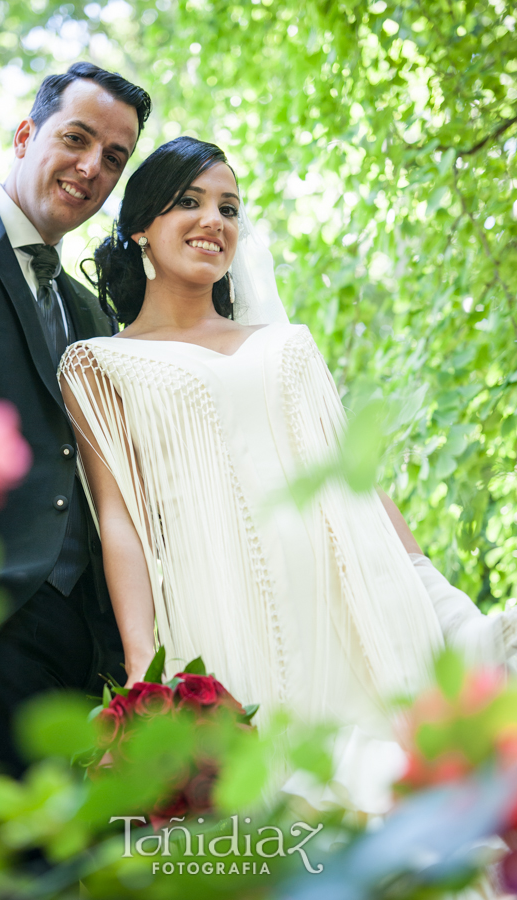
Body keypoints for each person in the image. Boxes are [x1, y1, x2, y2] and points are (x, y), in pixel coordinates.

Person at [59, 136, 517, 815]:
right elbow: (119, 517)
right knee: (278, 812)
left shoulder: (286, 342)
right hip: (216, 601)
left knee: (397, 789)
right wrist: (141, 662)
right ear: (139, 229)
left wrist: (429, 584)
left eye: (229, 207)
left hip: (351, 590)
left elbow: (348, 474)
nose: (214, 220)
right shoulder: (97, 364)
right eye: (189, 202)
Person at [0, 62, 151, 777]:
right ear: (26, 134)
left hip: (80, 640)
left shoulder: (90, 315)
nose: (92, 168)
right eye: (76, 139)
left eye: (114, 158)